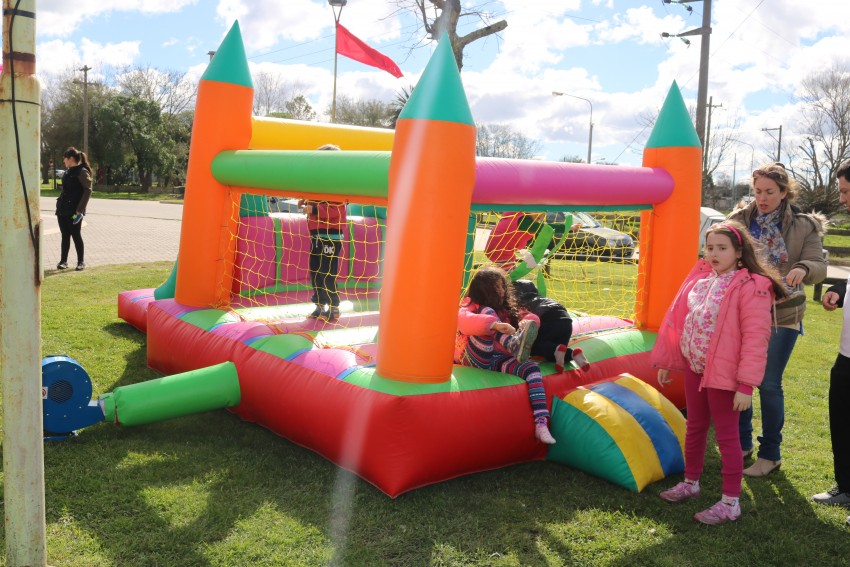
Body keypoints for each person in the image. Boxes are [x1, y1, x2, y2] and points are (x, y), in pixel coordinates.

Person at [653, 221, 785, 525]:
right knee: (695, 427)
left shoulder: (752, 286)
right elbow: (681, 320)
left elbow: (755, 339)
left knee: (726, 437)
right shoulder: (702, 280)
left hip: (725, 375)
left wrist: (746, 385)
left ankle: (730, 502)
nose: (713, 253)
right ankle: (691, 482)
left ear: (739, 252)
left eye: (722, 248)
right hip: (695, 368)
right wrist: (670, 360)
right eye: (709, 247)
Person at [729, 162, 828, 477]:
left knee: (768, 383)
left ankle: (770, 455)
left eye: (770, 192)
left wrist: (804, 267)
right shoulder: (738, 221)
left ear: (784, 192)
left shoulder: (804, 226)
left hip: (783, 314)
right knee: (741, 379)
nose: (762, 198)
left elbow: (818, 264)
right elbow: (719, 253)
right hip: (744, 312)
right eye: (758, 191)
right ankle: (742, 444)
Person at [455, 266, 556, 445]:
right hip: (474, 357)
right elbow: (463, 321)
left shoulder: (507, 309)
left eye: (503, 286)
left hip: (497, 360)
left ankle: (541, 423)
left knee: (531, 368)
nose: (502, 291)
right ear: (484, 289)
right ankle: (513, 344)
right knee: (488, 314)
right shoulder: (472, 305)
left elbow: (530, 317)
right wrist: (494, 325)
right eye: (497, 287)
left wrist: (526, 323)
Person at [811, 159, 850, 522]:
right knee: (841, 417)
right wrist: (840, 289)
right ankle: (846, 486)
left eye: (847, 191)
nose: (843, 199)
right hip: (847, 351)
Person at [301, 144, 346, 322]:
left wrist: (313, 209)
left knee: (327, 273)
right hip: (316, 236)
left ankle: (334, 307)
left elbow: (337, 210)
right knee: (315, 272)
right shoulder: (319, 184)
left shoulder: (337, 185)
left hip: (331, 236)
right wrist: (305, 202)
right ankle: (320, 305)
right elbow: (316, 201)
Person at [512, 279, 590, 372]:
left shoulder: (522, 304)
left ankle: (557, 350)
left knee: (532, 346)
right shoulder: (542, 298)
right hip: (566, 321)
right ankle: (573, 354)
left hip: (549, 320)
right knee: (555, 354)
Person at [55, 146, 93, 271]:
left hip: (75, 211)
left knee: (76, 235)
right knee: (65, 235)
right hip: (63, 209)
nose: (64, 161)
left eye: (65, 159)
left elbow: (88, 190)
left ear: (71, 158)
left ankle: (81, 262)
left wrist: (79, 210)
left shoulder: (82, 171)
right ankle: (63, 261)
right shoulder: (68, 171)